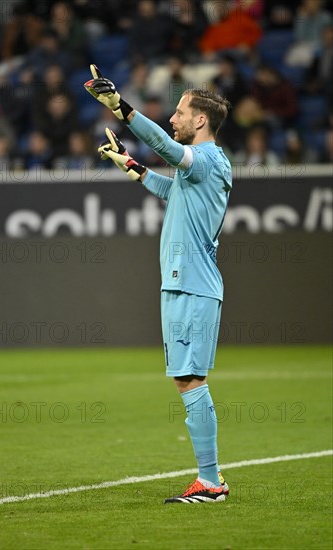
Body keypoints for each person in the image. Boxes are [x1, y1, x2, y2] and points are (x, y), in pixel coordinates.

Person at [84, 65, 232, 504]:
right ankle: (210, 479)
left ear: (200, 120)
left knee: (190, 379)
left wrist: (120, 108)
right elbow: (173, 192)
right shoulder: (198, 171)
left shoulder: (208, 158)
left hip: (193, 285)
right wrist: (132, 166)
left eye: (181, 111)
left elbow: (167, 148)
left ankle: (210, 481)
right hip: (183, 284)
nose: (173, 118)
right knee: (185, 380)